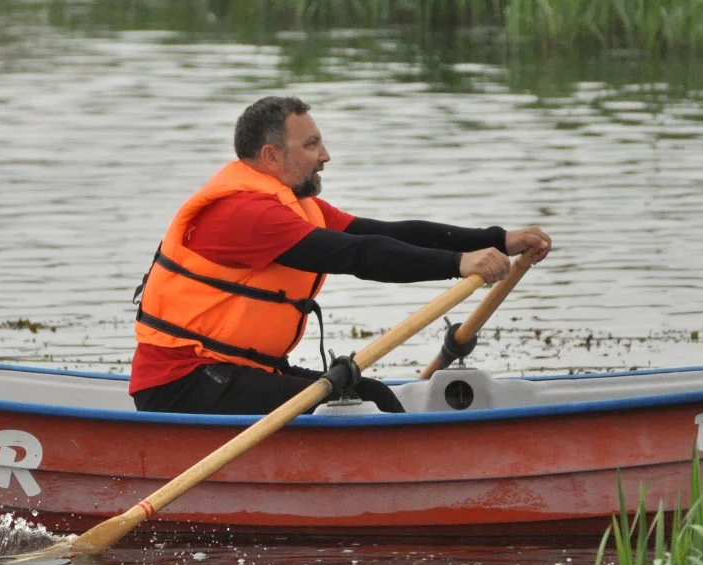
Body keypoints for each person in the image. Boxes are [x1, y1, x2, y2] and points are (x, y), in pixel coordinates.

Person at [130, 96, 551, 415]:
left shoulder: (293, 204)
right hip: (183, 383)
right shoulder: (246, 215)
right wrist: (457, 265)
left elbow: (386, 234)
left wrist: (496, 240)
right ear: (271, 156)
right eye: (312, 145)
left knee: (372, 396)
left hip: (231, 371)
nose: (325, 156)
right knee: (364, 399)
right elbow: (359, 256)